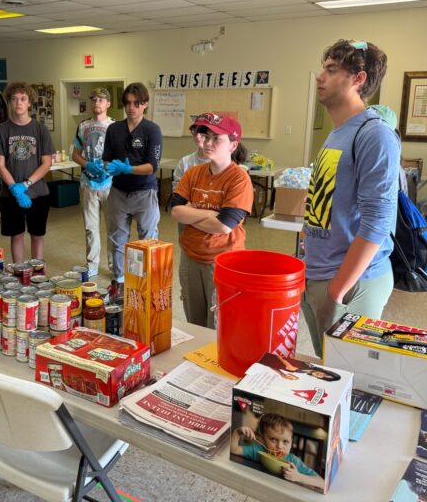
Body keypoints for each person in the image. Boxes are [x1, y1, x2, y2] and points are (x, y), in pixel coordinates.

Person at [301, 39, 400, 357]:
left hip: (352, 282)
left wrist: (336, 291)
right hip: (319, 272)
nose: (320, 77)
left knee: (350, 374)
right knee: (326, 367)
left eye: (331, 70)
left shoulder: (375, 134)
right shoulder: (338, 132)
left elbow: (378, 222)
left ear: (358, 78)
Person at [170, 113, 252, 328]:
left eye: (216, 138)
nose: (208, 143)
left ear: (233, 145)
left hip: (222, 262)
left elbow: (224, 226)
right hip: (190, 258)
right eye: (206, 137)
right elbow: (175, 211)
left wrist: (192, 212)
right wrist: (209, 214)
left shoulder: (239, 179)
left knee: (218, 326)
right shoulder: (192, 173)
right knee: (194, 323)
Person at [103, 82, 162, 296]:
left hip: (145, 192)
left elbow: (152, 167)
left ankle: (148, 282)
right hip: (119, 192)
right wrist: (106, 168)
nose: (131, 108)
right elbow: (106, 160)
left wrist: (128, 169)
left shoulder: (152, 130)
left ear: (145, 104)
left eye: (136, 103)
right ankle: (119, 281)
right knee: (117, 239)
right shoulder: (114, 129)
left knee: (147, 240)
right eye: (128, 103)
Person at [0, 81, 54, 263]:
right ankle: (19, 272)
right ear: (10, 102)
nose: (18, 102)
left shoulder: (40, 129)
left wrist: (25, 185)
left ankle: (37, 271)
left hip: (38, 193)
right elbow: (0, 164)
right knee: (16, 235)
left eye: (23, 99)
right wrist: (14, 188)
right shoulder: (1, 130)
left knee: (37, 235)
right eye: (14, 99)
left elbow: (46, 163)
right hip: (10, 195)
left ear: (29, 103)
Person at [71, 87, 115, 277]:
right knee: (91, 227)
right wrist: (87, 165)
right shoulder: (83, 126)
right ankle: (92, 264)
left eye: (101, 99)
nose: (97, 102)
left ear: (108, 104)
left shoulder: (115, 126)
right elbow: (75, 154)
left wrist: (108, 169)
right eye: (94, 99)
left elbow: (122, 156)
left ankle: (115, 266)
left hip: (110, 185)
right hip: (88, 184)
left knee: (113, 228)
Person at [231, 413, 324, 489]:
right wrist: (237, 432)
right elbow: (234, 450)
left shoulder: (293, 461)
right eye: (273, 439)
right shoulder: (258, 451)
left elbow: (322, 483)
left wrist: (298, 477)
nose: (279, 446)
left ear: (291, 442)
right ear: (263, 438)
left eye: (285, 441)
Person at [257, 354, 342, 382]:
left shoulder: (302, 372)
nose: (321, 375)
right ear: (325, 371)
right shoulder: (306, 365)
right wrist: (287, 363)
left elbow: (275, 366)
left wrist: (282, 374)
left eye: (324, 377)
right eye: (325, 374)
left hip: (261, 361)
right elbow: (279, 355)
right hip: (265, 353)